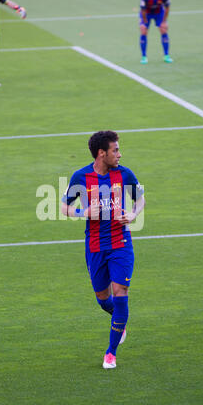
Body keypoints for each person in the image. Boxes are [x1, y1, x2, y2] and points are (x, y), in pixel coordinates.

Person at [62, 131, 145, 369]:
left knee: (120, 293)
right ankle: (120, 322)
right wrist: (83, 213)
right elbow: (63, 207)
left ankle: (111, 352)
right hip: (95, 246)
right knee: (103, 299)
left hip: (121, 244)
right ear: (102, 153)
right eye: (115, 150)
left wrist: (133, 213)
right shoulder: (81, 176)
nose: (119, 154)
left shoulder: (125, 173)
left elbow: (140, 200)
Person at [139, 0, 173, 64]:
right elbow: (143, 10)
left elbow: (167, 8)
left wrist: (164, 21)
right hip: (147, 14)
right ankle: (144, 56)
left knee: (164, 29)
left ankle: (166, 55)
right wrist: (144, 22)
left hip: (159, 13)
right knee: (143, 30)